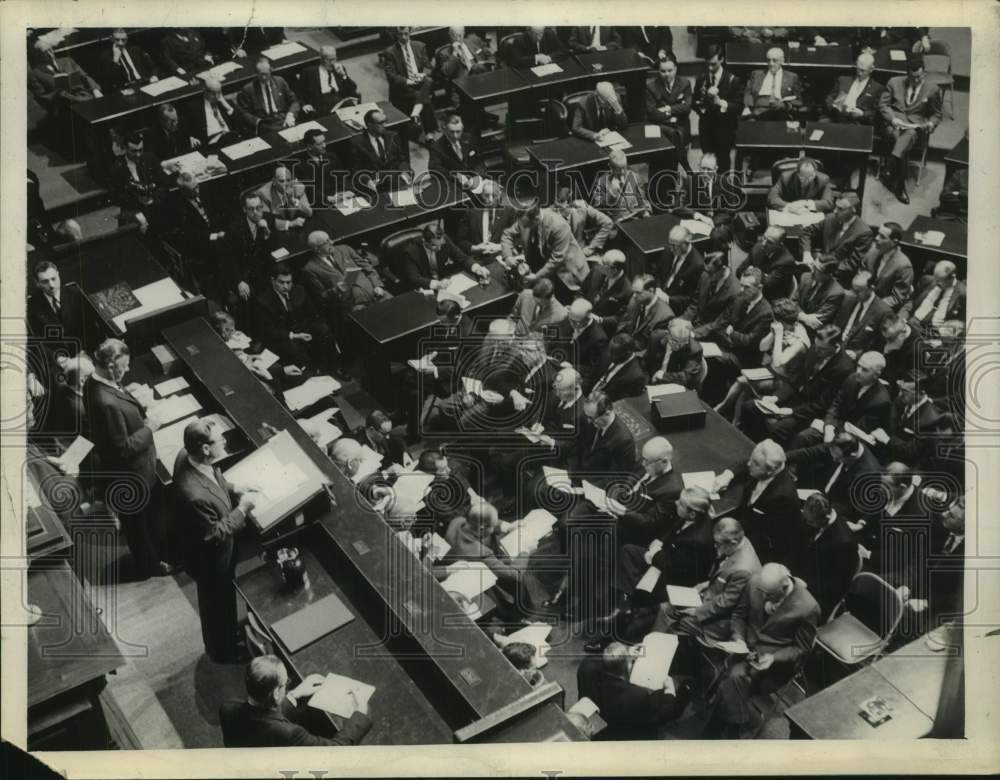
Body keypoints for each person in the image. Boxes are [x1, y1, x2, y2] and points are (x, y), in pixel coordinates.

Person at [84, 339, 175, 579]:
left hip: (137, 471)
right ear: (110, 365)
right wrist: (150, 427)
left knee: (146, 520)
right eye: (123, 366)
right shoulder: (105, 402)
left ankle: (155, 556)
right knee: (139, 526)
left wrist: (129, 395)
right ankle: (151, 567)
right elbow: (122, 448)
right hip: (132, 475)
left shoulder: (97, 382)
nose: (126, 370)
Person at [173, 419, 257, 663]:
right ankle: (224, 652)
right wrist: (241, 510)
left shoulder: (188, 456)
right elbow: (214, 534)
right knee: (218, 605)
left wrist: (235, 487)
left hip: (214, 553)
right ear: (206, 448)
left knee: (222, 602)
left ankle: (225, 639)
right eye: (220, 440)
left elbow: (214, 476)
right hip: (211, 561)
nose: (225, 441)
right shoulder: (194, 495)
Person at [708, 563, 820, 738]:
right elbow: (739, 616)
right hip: (744, 648)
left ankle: (719, 729)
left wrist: (774, 658)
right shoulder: (755, 583)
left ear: (784, 587)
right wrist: (738, 637)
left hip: (774, 665)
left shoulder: (808, 607)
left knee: (734, 678)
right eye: (763, 592)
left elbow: (801, 649)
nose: (764, 597)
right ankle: (733, 728)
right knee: (734, 678)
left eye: (770, 595)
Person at [220, 655, 371, 747]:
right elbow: (336, 750)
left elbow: (261, 717)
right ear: (275, 693)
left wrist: (295, 694)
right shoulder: (290, 733)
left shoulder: (227, 708)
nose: (287, 686)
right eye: (286, 683)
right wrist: (360, 713)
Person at [651, 517, 762, 640]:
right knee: (669, 606)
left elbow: (725, 604)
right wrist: (706, 584)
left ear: (733, 542)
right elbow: (727, 578)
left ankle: (655, 648)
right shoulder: (741, 541)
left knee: (669, 612)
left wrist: (697, 611)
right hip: (713, 598)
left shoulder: (743, 569)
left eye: (719, 544)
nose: (716, 547)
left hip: (723, 620)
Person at [713, 440, 803, 566]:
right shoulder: (763, 467)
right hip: (746, 525)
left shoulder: (782, 498)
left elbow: (770, 538)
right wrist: (727, 475)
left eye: (755, 463)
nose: (749, 464)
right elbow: (746, 463)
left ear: (771, 471)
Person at [576, 642, 689, 741]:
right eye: (630, 662)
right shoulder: (636, 695)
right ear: (627, 667)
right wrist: (670, 691)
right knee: (682, 686)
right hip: (621, 734)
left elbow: (597, 661)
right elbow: (663, 715)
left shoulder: (587, 667)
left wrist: (625, 652)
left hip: (595, 719)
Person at [790, 351, 892, 450]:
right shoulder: (852, 378)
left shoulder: (881, 401)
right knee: (803, 437)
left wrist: (831, 429)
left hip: (850, 441)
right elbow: (836, 404)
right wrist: (829, 426)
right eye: (858, 366)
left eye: (864, 370)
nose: (858, 372)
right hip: (835, 426)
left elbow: (857, 429)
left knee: (815, 446)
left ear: (876, 375)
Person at [878, 56, 943, 204]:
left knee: (907, 137)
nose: (916, 80)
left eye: (919, 77)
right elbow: (883, 104)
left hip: (914, 126)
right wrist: (893, 119)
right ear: (907, 74)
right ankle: (900, 186)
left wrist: (931, 124)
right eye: (912, 77)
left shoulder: (933, 89)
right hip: (893, 123)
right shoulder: (894, 82)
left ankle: (890, 167)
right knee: (900, 141)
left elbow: (937, 113)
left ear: (924, 74)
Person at [251, 262, 334, 372]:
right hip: (282, 336)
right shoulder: (263, 301)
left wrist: (310, 329)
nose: (286, 286)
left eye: (288, 282)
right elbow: (269, 331)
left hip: (301, 328)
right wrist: (294, 335)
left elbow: (313, 314)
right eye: (281, 282)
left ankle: (327, 367)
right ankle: (308, 373)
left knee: (324, 331)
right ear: (273, 280)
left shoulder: (299, 290)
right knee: (293, 348)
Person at [792, 492, 860, 619]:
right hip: (802, 576)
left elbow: (836, 585)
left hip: (818, 593)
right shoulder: (815, 519)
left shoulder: (844, 543)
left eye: (811, 522)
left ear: (827, 517)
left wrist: (803, 585)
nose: (807, 523)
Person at [503, 204, 591, 299]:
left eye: (527, 226)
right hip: (546, 269)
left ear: (536, 218)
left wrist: (537, 277)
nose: (524, 228)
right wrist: (508, 256)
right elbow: (507, 234)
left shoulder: (558, 226)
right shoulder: (524, 220)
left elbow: (557, 260)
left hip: (567, 274)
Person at [301, 230, 391, 315]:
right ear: (317, 249)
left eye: (329, 239)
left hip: (376, 293)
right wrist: (336, 290)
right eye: (326, 242)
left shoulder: (345, 249)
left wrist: (378, 285)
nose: (332, 242)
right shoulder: (310, 269)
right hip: (354, 306)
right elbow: (322, 297)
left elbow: (368, 268)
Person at [169, 170, 227, 297]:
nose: (197, 191)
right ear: (184, 191)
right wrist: (214, 236)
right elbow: (190, 237)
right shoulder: (179, 209)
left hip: (217, 237)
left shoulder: (205, 193)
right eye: (193, 190)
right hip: (200, 249)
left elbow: (218, 213)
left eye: (197, 186)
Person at [800, 193, 874, 284]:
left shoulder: (864, 233)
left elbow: (851, 265)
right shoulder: (830, 218)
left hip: (839, 278)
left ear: (853, 210)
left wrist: (825, 269)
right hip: (819, 268)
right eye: (835, 207)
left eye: (840, 209)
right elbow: (806, 231)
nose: (835, 211)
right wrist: (806, 253)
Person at [222, 192, 277, 311]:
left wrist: (267, 234)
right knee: (252, 304)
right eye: (251, 209)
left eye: (258, 208)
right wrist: (239, 281)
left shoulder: (269, 219)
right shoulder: (234, 229)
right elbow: (229, 260)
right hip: (245, 274)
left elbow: (273, 249)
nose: (256, 212)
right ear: (244, 210)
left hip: (265, 271)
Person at [382, 26, 438, 140]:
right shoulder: (390, 52)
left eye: (406, 34)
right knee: (424, 96)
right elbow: (391, 76)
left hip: (420, 82)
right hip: (404, 87)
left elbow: (428, 67)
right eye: (400, 34)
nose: (403, 37)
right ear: (396, 35)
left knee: (427, 80)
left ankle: (416, 110)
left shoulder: (420, 46)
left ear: (410, 33)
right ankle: (429, 133)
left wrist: (422, 74)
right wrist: (408, 81)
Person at [26, 260, 85, 367]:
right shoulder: (31, 306)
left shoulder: (74, 294)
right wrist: (57, 359)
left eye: (54, 279)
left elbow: (89, 327)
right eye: (45, 282)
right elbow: (35, 341)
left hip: (83, 354)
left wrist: (84, 352)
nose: (51, 285)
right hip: (55, 362)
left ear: (58, 274)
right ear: (37, 283)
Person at [693, 45, 743, 168]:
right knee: (708, 162)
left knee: (723, 161)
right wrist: (702, 106)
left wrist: (719, 102)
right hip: (706, 128)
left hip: (724, 129)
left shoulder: (733, 80)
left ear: (722, 60)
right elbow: (694, 102)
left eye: (713, 64)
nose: (710, 68)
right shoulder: (701, 79)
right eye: (708, 64)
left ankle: (722, 186)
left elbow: (739, 107)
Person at [27, 36, 102, 115]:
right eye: (44, 52)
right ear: (38, 55)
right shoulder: (35, 73)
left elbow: (85, 76)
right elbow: (42, 96)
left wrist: (95, 90)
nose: (49, 54)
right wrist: (59, 94)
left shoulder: (68, 60)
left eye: (50, 50)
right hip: (64, 106)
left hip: (85, 96)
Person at [348, 108, 413, 196]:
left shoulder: (393, 136)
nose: (385, 125)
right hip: (375, 185)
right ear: (370, 125)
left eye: (385, 121)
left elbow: (402, 159)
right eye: (381, 123)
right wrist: (368, 181)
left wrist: (405, 172)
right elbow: (356, 170)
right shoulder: (357, 143)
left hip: (396, 180)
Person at [108, 132, 164, 232]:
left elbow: (162, 182)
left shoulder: (150, 158)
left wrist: (155, 198)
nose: (138, 154)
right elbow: (115, 197)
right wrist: (137, 199)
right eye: (133, 151)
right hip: (132, 211)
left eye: (140, 150)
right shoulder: (117, 169)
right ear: (125, 149)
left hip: (155, 207)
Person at [401, 223, 480, 291]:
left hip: (444, 281)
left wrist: (477, 268)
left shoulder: (445, 240)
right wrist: (436, 284)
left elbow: (462, 257)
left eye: (440, 245)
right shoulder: (411, 252)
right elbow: (414, 278)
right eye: (434, 246)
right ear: (424, 241)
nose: (439, 249)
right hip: (424, 287)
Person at [645, 55, 693, 166]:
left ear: (676, 69)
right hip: (663, 129)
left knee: (680, 156)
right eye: (663, 71)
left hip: (681, 127)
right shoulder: (651, 87)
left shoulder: (685, 83)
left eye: (670, 70)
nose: (667, 74)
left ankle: (685, 172)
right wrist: (676, 111)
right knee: (665, 163)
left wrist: (668, 109)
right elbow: (652, 114)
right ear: (658, 71)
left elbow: (687, 108)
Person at [577, 390, 637, 477]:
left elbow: (616, 477)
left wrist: (583, 482)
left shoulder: (623, 441)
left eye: (592, 418)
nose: (588, 421)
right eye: (587, 416)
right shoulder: (592, 420)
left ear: (607, 413)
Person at [554, 299, 610, 390]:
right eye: (570, 320)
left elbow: (594, 368)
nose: (571, 324)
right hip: (559, 363)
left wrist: (573, 367)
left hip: (574, 376)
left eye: (576, 323)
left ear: (587, 319)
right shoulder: (572, 319)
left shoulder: (599, 339)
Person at [236, 57, 300, 134]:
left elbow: (294, 101)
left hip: (283, 118)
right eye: (261, 74)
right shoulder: (248, 89)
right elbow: (243, 112)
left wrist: (290, 115)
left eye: (266, 74)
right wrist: (257, 122)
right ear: (256, 73)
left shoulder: (280, 81)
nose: (264, 77)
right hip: (265, 123)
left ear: (271, 71)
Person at [834, 270, 892, 356]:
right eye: (853, 289)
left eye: (858, 291)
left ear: (871, 288)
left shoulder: (883, 312)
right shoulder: (848, 299)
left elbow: (878, 346)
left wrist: (857, 354)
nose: (854, 294)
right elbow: (836, 324)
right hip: (835, 347)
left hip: (854, 357)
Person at [615, 275, 674, 358]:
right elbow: (624, 323)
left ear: (650, 291)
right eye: (634, 292)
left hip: (638, 356)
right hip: (624, 346)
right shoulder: (635, 300)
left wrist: (632, 356)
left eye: (638, 292)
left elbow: (652, 349)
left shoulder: (665, 316)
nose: (634, 296)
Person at [901, 260, 966, 334]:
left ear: (952, 277)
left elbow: (960, 324)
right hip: (912, 323)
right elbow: (911, 302)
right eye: (936, 278)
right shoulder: (927, 280)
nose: (937, 283)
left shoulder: (963, 294)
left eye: (941, 280)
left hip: (934, 333)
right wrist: (901, 319)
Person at [591, 149, 651, 225]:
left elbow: (642, 200)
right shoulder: (602, 182)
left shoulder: (634, 177)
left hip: (635, 218)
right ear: (611, 168)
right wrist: (612, 196)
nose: (622, 172)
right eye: (618, 169)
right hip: (615, 223)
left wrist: (646, 211)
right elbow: (597, 209)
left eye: (624, 168)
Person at [862, 222, 914, 310]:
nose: (876, 238)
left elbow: (896, 298)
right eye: (878, 234)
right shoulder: (873, 251)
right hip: (865, 297)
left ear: (894, 242)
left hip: (882, 307)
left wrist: (871, 304)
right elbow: (861, 274)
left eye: (882, 237)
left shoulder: (904, 266)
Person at [552, 183, 614, 256]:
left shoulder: (581, 206)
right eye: (558, 201)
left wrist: (591, 248)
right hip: (559, 258)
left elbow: (607, 223)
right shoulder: (548, 214)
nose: (560, 206)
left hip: (581, 254)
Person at [735, 226, 796, 300]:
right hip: (751, 289)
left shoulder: (787, 262)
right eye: (764, 237)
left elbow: (768, 286)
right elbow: (739, 271)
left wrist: (751, 271)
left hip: (771, 297)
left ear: (780, 245)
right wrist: (757, 275)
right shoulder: (757, 247)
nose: (763, 243)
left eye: (769, 242)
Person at [742, 47, 803, 120]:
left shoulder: (792, 77)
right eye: (768, 60)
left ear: (782, 60)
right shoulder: (756, 74)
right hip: (759, 110)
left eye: (775, 60)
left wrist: (786, 105)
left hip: (781, 111)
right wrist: (747, 107)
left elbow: (798, 101)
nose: (771, 63)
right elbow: (748, 92)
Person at [824, 52, 884, 125]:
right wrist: (833, 106)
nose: (859, 73)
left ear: (871, 69)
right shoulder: (843, 80)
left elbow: (877, 112)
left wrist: (862, 114)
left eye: (863, 70)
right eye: (858, 69)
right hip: (837, 118)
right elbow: (829, 98)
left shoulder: (877, 88)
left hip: (858, 123)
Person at [298, 45, 359, 116]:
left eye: (335, 59)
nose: (333, 63)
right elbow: (299, 92)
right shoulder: (309, 72)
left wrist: (344, 76)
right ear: (321, 59)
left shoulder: (339, 70)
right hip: (321, 105)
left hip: (339, 101)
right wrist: (304, 105)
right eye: (330, 60)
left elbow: (352, 89)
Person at [428, 114, 487, 186]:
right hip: (453, 185)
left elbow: (479, 160)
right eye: (451, 132)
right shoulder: (437, 147)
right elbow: (434, 169)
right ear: (445, 129)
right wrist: (455, 175)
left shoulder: (469, 138)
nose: (455, 136)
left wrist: (479, 176)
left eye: (458, 131)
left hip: (475, 180)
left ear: (462, 128)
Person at [657, 224, 704, 313]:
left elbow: (691, 298)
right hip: (660, 294)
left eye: (675, 246)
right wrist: (658, 288)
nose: (671, 249)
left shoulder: (697, 265)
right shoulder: (670, 250)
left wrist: (668, 299)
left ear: (686, 244)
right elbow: (659, 273)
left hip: (675, 306)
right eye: (670, 244)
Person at [589, 333, 647, 402]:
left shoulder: (635, 378)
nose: (608, 355)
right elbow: (592, 373)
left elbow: (623, 403)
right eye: (609, 351)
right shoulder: (611, 349)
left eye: (614, 354)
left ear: (628, 353)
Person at [766, 158, 835, 215]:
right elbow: (772, 198)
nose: (807, 180)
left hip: (811, 215)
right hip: (790, 214)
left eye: (811, 176)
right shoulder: (785, 177)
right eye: (803, 177)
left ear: (815, 173)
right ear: (797, 173)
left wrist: (806, 203)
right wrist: (790, 207)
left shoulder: (823, 179)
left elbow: (828, 202)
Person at [650, 318, 705, 389]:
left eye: (682, 342)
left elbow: (687, 377)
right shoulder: (656, 337)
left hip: (676, 386)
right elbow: (647, 363)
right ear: (668, 334)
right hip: (653, 381)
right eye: (674, 341)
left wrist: (663, 376)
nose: (677, 346)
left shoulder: (695, 350)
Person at [253, 165, 312, 231]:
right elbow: (267, 221)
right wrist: (290, 224)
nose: (286, 184)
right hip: (275, 233)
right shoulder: (263, 194)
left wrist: (298, 204)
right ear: (274, 181)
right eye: (282, 181)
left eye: (288, 180)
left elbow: (309, 212)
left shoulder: (298, 187)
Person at [795, 255, 846, 332]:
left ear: (828, 274)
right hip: (793, 321)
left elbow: (817, 322)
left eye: (817, 270)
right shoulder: (805, 276)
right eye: (813, 266)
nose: (812, 271)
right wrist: (802, 316)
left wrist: (796, 313)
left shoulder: (836, 293)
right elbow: (792, 302)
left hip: (812, 332)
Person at [188, 76, 239, 147]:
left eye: (219, 92)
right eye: (213, 93)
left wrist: (228, 107)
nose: (216, 96)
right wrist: (191, 138)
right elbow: (187, 128)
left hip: (230, 137)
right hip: (213, 142)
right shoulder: (195, 107)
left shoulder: (226, 103)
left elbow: (239, 124)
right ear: (204, 90)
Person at [585, 250, 632, 320]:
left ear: (614, 269)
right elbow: (581, 291)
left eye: (604, 263)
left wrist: (600, 320)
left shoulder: (626, 290)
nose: (599, 263)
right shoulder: (596, 270)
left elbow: (619, 318)